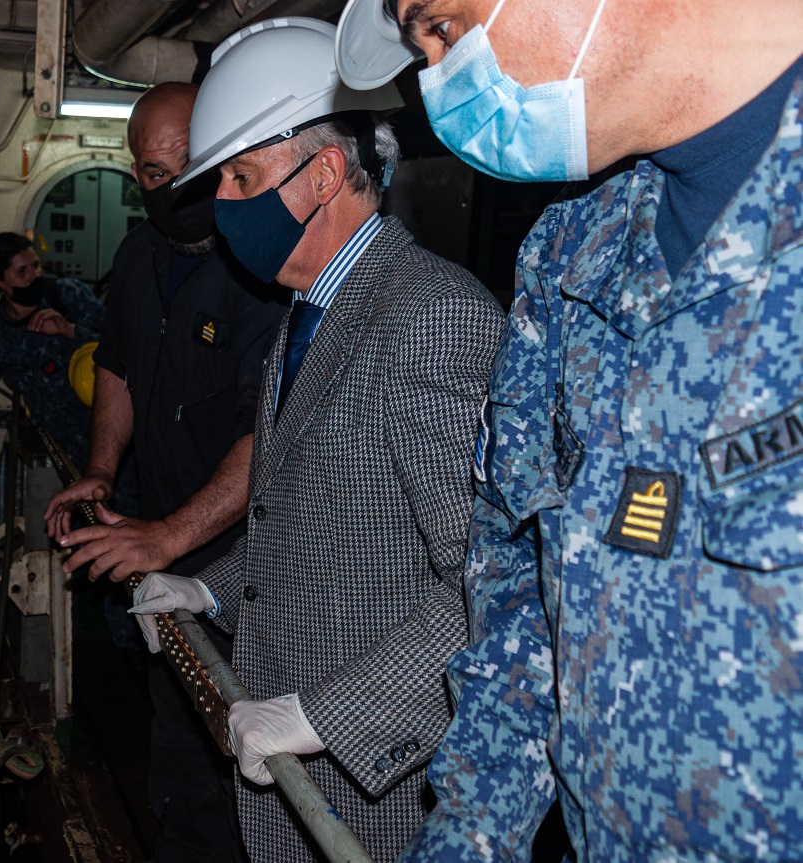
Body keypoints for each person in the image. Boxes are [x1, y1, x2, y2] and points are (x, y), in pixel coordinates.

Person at [331, 0, 803, 859]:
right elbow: (521, 605)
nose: (438, 83)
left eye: (441, 26)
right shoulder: (569, 256)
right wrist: (469, 839)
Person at [127, 18, 503, 862]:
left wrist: (320, 716)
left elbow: (490, 582)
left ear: (325, 171)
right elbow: (310, 515)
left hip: (372, 790)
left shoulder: (429, 317)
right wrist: (208, 592)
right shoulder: (311, 307)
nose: (221, 203)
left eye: (241, 175)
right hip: (294, 775)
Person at [43, 82, 287, 862]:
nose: (175, 184)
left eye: (193, 161)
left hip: (253, 562)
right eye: (154, 172)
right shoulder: (139, 254)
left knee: (251, 763)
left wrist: (171, 534)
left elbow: (273, 432)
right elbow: (117, 364)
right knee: (180, 741)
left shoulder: (264, 269)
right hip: (162, 542)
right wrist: (102, 470)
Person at [0, 232, 103, 469]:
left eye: (35, 266)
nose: (33, 275)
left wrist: (70, 331)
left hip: (116, 434)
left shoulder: (67, 296)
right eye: (22, 272)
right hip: (71, 458)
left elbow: (128, 346)